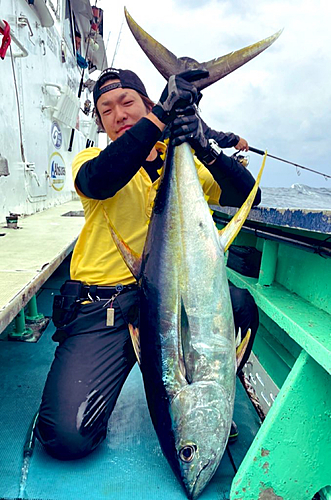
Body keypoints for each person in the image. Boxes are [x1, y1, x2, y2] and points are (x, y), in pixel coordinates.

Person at [35, 67, 259, 460]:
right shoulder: (93, 160)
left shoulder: (187, 163)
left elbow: (248, 199)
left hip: (169, 303)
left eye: (127, 103)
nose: (118, 115)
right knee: (65, 438)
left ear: (146, 103)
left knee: (240, 305)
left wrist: (204, 145)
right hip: (104, 309)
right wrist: (159, 120)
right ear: (101, 123)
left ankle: (215, 393)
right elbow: (99, 181)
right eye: (106, 110)